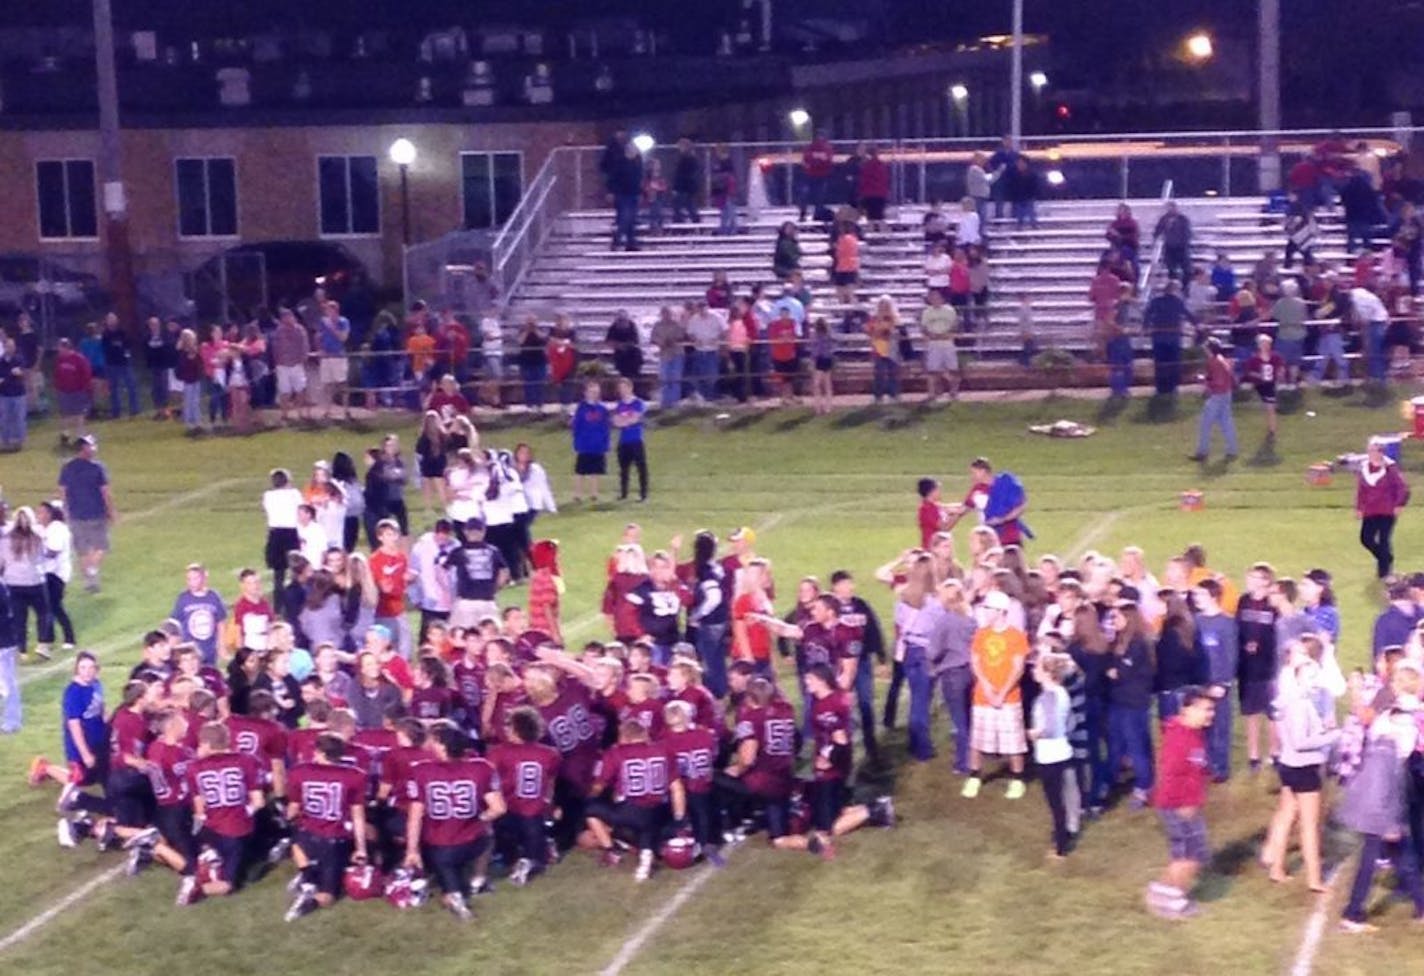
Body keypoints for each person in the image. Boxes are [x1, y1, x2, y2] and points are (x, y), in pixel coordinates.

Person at [1260, 657, 1339, 890]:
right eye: (1310, 676)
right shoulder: (1299, 704)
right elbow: (1301, 741)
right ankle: (1314, 879)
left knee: (1286, 816)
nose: (1316, 681)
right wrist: (1333, 736)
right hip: (1303, 768)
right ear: (1297, 678)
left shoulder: (1286, 701)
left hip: (1289, 766)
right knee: (1309, 826)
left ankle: (1277, 868)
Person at [1146, 686, 1216, 920]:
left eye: (1211, 710)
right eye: (1206, 709)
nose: (1210, 714)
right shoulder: (1179, 738)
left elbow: (1195, 767)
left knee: (1189, 855)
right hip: (1179, 806)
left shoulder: (1192, 732)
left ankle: (1163, 894)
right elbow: (1171, 775)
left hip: (1186, 805)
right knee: (1189, 857)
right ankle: (1173, 902)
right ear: (1188, 709)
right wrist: (1184, 804)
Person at [963, 590, 1029, 800]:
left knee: (1013, 742)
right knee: (978, 740)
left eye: (989, 608)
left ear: (1000, 611)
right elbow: (975, 661)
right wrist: (987, 687)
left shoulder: (1016, 636)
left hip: (1008, 698)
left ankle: (1017, 778)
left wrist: (1001, 692)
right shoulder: (982, 633)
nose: (986, 611)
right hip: (983, 697)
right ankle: (974, 775)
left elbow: (1018, 668)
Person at [1030, 652, 1075, 858]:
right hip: (1063, 751)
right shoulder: (1063, 693)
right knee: (1061, 799)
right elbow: (1069, 723)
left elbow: (1048, 728)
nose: (1034, 671)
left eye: (1038, 668)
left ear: (1048, 673)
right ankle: (1063, 834)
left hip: (1049, 755)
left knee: (1055, 802)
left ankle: (1060, 847)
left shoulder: (1046, 697)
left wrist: (1033, 733)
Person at [56, 435, 115, 594]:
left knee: (83, 550)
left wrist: (64, 511)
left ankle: (89, 582)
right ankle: (92, 571)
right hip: (96, 514)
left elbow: (62, 491)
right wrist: (111, 510)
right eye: (92, 446)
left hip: (76, 514)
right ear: (84, 449)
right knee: (101, 546)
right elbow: (105, 492)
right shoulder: (97, 467)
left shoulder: (67, 467)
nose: (94, 448)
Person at [0, 506, 52, 659]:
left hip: (13, 582)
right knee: (43, 614)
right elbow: (43, 556)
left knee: (18, 617)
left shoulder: (5, 538)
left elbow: (1, 562)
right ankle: (43, 644)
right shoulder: (37, 537)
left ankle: (21, 649)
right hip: (35, 580)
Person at [1356, 436, 1410, 578]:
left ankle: (1383, 572)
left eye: (1376, 451)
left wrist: (1399, 504)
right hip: (1370, 510)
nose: (1373, 454)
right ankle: (1386, 558)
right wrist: (1359, 507)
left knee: (1384, 539)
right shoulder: (1364, 468)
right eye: (1371, 451)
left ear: (1381, 453)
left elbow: (1402, 488)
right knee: (1366, 538)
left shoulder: (1390, 468)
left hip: (1387, 510)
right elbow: (1361, 490)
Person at [34, 502, 75, 653]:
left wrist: (37, 549)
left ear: (51, 514)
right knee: (49, 607)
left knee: (54, 606)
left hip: (57, 573)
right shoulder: (40, 528)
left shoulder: (58, 528)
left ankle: (67, 638)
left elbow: (53, 552)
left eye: (42, 512)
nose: (39, 516)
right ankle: (49, 640)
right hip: (44, 573)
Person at [1143, 281, 1196, 396]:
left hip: (1160, 336)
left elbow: (1147, 314)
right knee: (1173, 362)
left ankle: (1161, 387)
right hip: (1172, 336)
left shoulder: (1156, 301)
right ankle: (1171, 387)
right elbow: (1188, 314)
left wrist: (1145, 327)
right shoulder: (1177, 301)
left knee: (1160, 362)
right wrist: (1197, 324)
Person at [1191, 338, 1238, 463]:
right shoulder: (1221, 360)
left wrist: (1204, 381)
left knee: (1205, 424)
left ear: (1210, 349)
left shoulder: (1214, 362)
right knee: (1226, 423)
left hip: (1217, 396)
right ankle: (1232, 450)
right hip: (1226, 394)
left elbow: (1218, 382)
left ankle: (1202, 452)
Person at [171, 563, 227, 667]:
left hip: (209, 649)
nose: (192, 582)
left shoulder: (213, 597)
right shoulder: (183, 598)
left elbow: (221, 622)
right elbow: (175, 624)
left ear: (204, 578)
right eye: (189, 579)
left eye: (195, 578)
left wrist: (221, 646)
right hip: (190, 652)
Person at [571, 381, 611, 503]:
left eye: (596, 392)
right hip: (584, 444)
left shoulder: (603, 409)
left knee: (595, 471)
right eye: (591, 392)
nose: (593, 394)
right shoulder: (581, 408)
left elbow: (606, 427)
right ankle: (577, 494)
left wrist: (606, 442)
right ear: (585, 393)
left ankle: (594, 493)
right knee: (580, 471)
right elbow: (576, 426)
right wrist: (577, 441)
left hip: (598, 444)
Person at [612, 377, 648, 503]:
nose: (622, 391)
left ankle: (643, 494)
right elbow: (616, 422)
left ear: (630, 388)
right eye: (620, 388)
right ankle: (623, 493)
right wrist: (626, 421)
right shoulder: (620, 405)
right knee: (623, 469)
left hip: (636, 440)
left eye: (624, 388)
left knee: (641, 468)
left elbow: (635, 418)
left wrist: (625, 421)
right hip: (623, 441)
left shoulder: (638, 403)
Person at [1242, 334, 1285, 440]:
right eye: (1263, 344)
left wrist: (1280, 374)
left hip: (1270, 385)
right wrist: (1259, 375)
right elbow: (1249, 372)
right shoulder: (1254, 359)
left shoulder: (1275, 357)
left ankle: (1272, 431)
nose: (1266, 346)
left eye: (1268, 344)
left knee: (1271, 408)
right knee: (1266, 407)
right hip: (1259, 384)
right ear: (1259, 345)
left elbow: (1281, 367)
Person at [271, 308, 310, 425]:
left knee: (300, 389)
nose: (288, 319)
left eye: (289, 316)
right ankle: (284, 414)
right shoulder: (279, 331)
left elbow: (305, 345)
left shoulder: (300, 329)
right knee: (284, 391)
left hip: (297, 364)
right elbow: (275, 348)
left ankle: (300, 413)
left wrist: (303, 358)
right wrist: (277, 361)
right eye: (285, 317)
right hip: (282, 365)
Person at [99, 313, 139, 418]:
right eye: (109, 319)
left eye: (113, 319)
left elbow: (128, 345)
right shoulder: (105, 334)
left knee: (131, 386)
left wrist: (125, 353)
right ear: (106, 321)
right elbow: (106, 348)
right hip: (111, 364)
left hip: (124, 363)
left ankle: (134, 409)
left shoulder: (122, 332)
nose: (111, 321)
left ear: (117, 320)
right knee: (113, 388)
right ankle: (116, 411)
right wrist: (116, 346)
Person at [316, 300, 351, 419]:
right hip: (326, 356)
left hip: (338, 356)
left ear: (335, 310)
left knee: (342, 383)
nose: (327, 312)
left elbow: (343, 338)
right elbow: (319, 336)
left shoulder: (343, 321)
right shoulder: (323, 322)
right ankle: (327, 410)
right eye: (326, 310)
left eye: (329, 310)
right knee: (327, 384)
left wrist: (333, 327)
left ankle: (346, 410)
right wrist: (320, 348)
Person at [650, 307, 686, 410]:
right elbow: (653, 339)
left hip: (676, 353)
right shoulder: (657, 325)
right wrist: (660, 342)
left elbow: (681, 336)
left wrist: (670, 341)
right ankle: (665, 402)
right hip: (664, 355)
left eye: (668, 313)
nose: (666, 316)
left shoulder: (676, 325)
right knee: (665, 378)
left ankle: (674, 402)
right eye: (664, 314)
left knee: (675, 378)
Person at [1153, 201, 1194, 287]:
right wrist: (1155, 238)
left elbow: (1187, 232)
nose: (1171, 210)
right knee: (1171, 270)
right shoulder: (1164, 219)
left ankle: (1185, 287)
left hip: (1181, 248)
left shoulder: (1183, 219)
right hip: (1169, 247)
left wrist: (1185, 242)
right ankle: (1173, 287)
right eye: (1169, 208)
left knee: (1187, 270)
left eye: (1172, 208)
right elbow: (1158, 230)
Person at [799, 133, 835, 222]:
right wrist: (816, 159)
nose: (820, 138)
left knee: (819, 197)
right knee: (805, 195)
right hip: (810, 176)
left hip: (822, 176)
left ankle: (817, 215)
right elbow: (806, 159)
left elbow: (828, 161)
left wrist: (816, 159)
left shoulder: (827, 148)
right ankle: (803, 214)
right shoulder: (810, 147)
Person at [0, 334, 27, 451]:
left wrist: (8, 377)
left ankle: (18, 442)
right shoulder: (1, 361)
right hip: (5, 394)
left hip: (18, 394)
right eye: (7, 346)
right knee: (5, 419)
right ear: (4, 347)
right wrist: (9, 376)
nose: (10, 348)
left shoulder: (19, 359)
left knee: (19, 418)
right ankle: (6, 441)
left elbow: (20, 373)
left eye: (12, 346)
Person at [671, 138, 701, 224]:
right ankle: (695, 221)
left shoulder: (687, 159)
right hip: (688, 186)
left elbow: (681, 175)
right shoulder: (690, 158)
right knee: (689, 205)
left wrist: (676, 188)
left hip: (684, 187)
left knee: (678, 205)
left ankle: (680, 222)